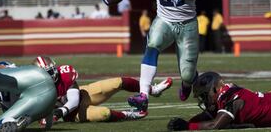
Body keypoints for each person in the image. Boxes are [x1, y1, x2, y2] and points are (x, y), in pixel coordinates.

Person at [97, 0, 205, 112]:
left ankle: (187, 83)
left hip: (187, 24)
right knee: (152, 45)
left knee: (187, 74)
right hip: (164, 18)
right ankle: (143, 95)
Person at [33, 56, 172, 124]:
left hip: (83, 94)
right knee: (104, 113)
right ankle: (128, 115)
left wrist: (59, 111)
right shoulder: (35, 89)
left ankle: (152, 90)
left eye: (52, 70)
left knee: (118, 82)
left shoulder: (65, 74)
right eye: (47, 73)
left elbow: (74, 100)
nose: (53, 74)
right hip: (74, 114)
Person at [0, 41, 57, 131]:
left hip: (27, 98)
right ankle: (15, 122)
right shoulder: (15, 71)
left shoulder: (7, 70)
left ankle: (11, 122)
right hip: (34, 99)